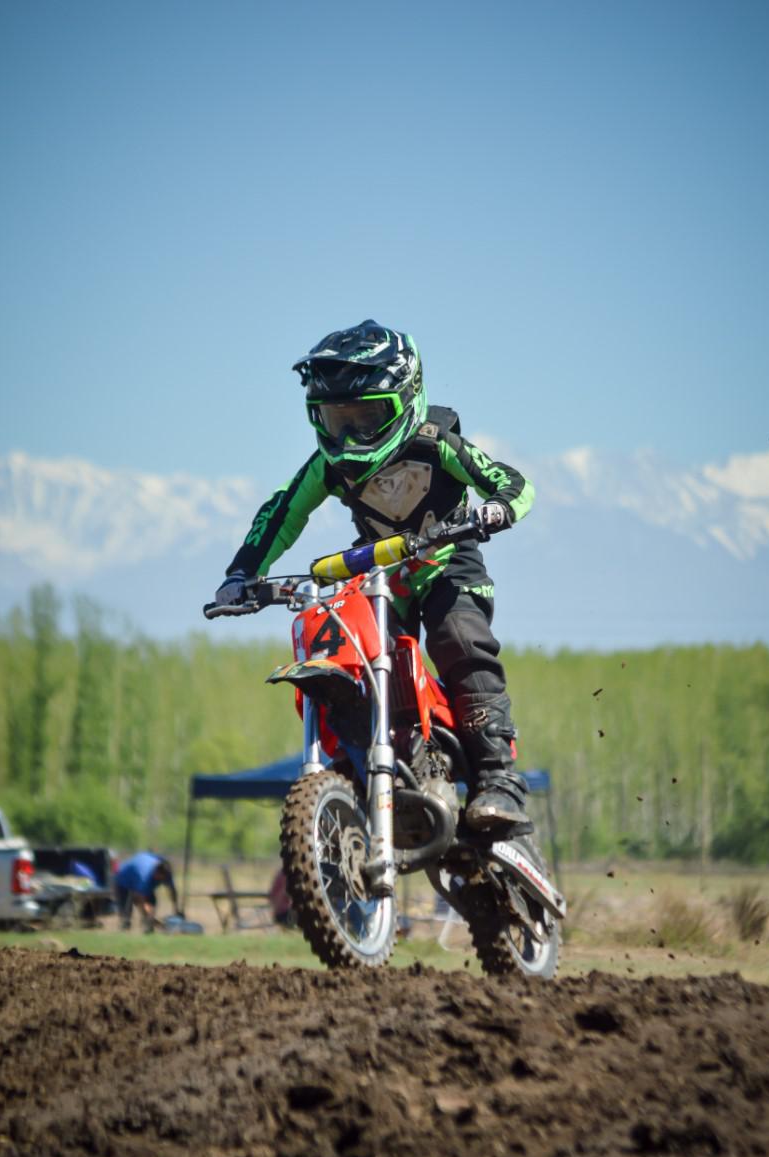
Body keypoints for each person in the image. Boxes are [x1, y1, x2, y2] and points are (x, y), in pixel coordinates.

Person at [214, 320, 535, 889]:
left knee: (459, 639)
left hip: (447, 565)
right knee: (347, 652)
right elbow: (282, 513)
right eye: (337, 421)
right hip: (379, 574)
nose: (350, 435)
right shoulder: (328, 467)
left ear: (405, 400)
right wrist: (243, 574)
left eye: (365, 418)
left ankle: (498, 780)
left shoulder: (436, 445)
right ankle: (386, 765)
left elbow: (511, 481)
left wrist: (498, 509)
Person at [114, 851, 177, 932]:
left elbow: (172, 890)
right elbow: (139, 900)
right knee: (126, 916)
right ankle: (126, 928)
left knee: (152, 902)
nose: (162, 881)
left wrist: (176, 910)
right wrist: (150, 918)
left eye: (163, 879)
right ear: (156, 873)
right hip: (123, 880)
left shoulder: (166, 872)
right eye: (160, 878)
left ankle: (148, 924)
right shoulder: (145, 876)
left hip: (139, 871)